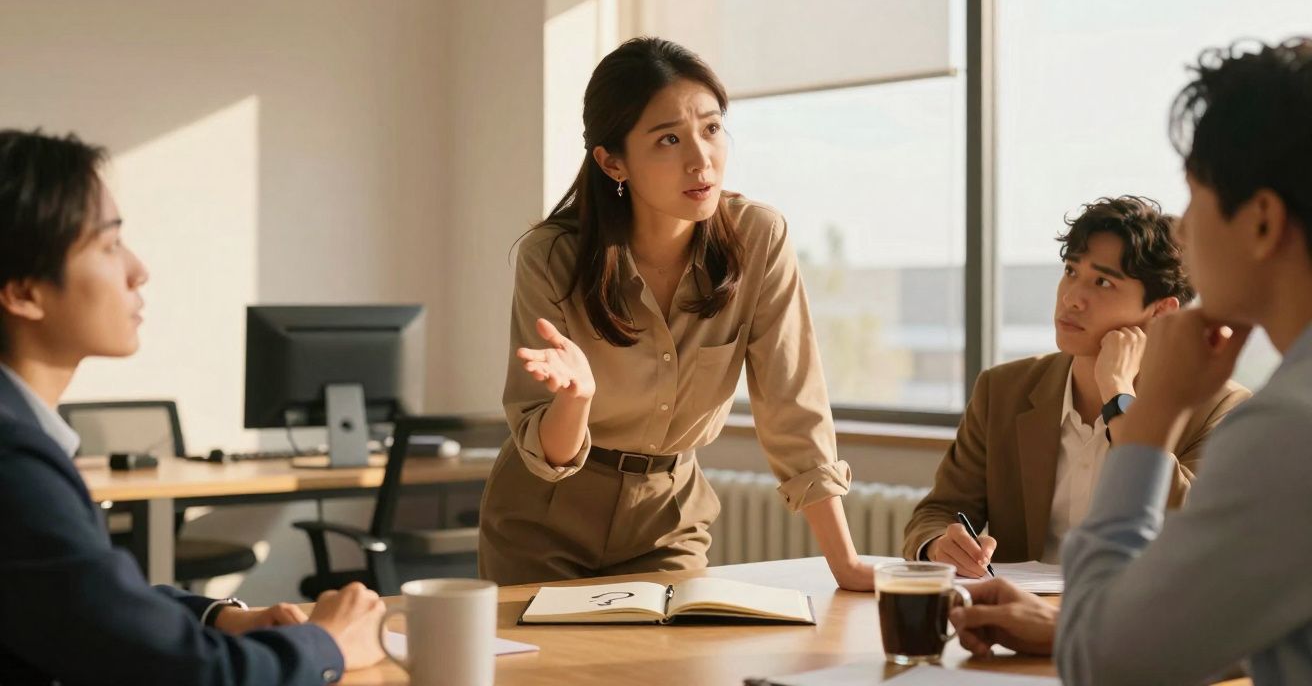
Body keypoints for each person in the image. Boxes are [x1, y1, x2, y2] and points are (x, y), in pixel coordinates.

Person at [951, 37, 1312, 685]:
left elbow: (1107, 665)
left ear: (1261, 221)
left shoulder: (1286, 429)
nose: (1182, 231)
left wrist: (1150, 419)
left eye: (1194, 196)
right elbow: (1250, 617)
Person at [477, 37, 872, 590]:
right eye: (668, 139)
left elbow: (793, 407)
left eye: (711, 129)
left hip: (668, 519)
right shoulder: (552, 258)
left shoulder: (759, 239)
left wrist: (846, 565)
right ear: (613, 162)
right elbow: (547, 453)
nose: (701, 159)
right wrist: (576, 399)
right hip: (542, 520)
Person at [0, 128, 386, 685]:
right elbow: (186, 674)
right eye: (109, 245)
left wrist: (219, 617)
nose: (138, 269)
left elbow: (88, 602)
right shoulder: (13, 461)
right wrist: (326, 644)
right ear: (22, 292)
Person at [903, 196, 1248, 576]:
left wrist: (1118, 395)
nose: (1071, 298)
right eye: (1070, 270)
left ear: (1161, 311)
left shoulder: (1218, 407)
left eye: (1102, 282)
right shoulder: (1002, 390)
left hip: (1138, 611)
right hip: (1015, 609)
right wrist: (939, 544)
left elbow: (1197, 531)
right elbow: (938, 512)